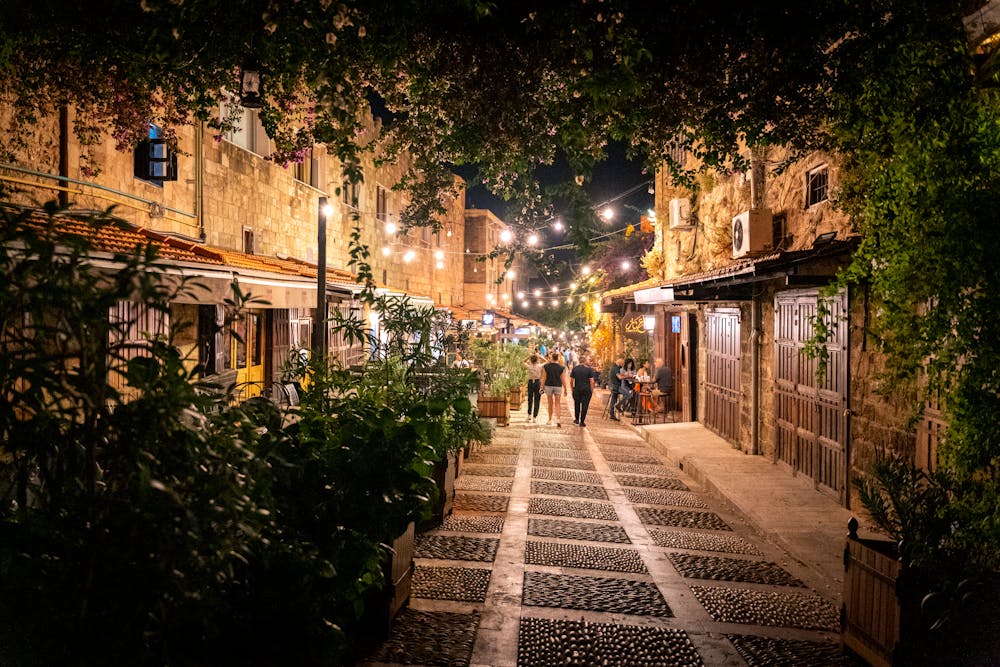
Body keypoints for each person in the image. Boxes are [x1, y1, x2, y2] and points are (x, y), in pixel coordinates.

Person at [570, 354, 597, 427]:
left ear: (579, 361)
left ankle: (576, 420)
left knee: (577, 404)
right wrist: (591, 390)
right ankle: (582, 421)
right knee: (585, 405)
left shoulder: (575, 369)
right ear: (585, 361)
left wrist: (572, 389)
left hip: (577, 389)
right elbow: (592, 381)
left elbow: (571, 380)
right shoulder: (589, 369)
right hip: (586, 390)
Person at [542, 351, 567, 427]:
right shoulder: (561, 368)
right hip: (558, 386)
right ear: (558, 359)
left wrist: (541, 386)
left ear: (552, 358)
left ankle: (550, 419)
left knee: (550, 403)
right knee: (557, 403)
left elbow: (544, 377)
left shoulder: (546, 367)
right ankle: (558, 419)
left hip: (548, 385)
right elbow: (563, 379)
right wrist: (565, 389)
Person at [524, 353, 545, 423]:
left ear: (531, 360)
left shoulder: (529, 366)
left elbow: (523, 361)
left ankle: (529, 415)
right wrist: (540, 356)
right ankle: (534, 417)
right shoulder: (539, 366)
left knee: (530, 399)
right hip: (537, 383)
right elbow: (546, 361)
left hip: (530, 383)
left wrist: (528, 356)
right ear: (537, 360)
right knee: (537, 400)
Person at [607, 355, 624, 421]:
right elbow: (619, 377)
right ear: (620, 363)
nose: (622, 366)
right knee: (628, 394)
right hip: (615, 387)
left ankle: (612, 413)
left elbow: (619, 375)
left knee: (613, 399)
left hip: (613, 386)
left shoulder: (614, 367)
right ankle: (619, 406)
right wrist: (626, 376)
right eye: (622, 364)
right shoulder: (616, 368)